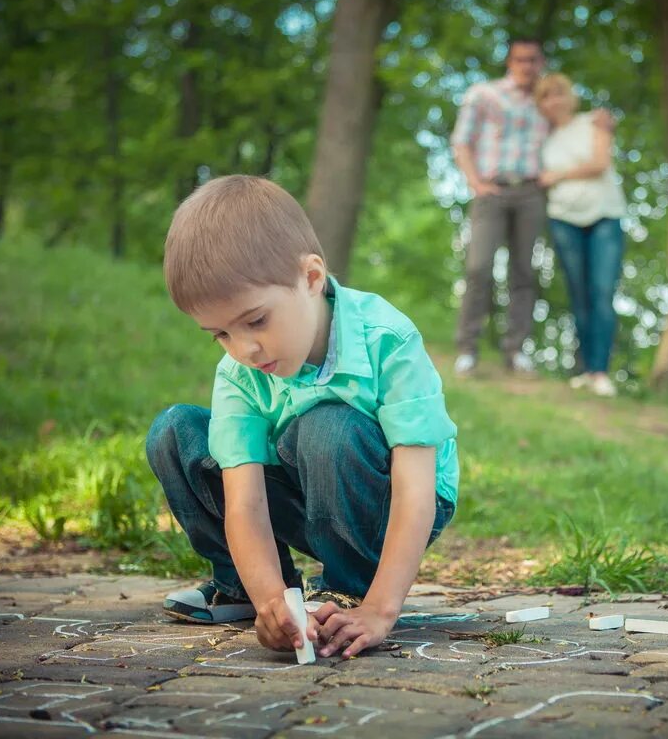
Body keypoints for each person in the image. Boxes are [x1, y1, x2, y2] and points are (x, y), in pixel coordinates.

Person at [146, 175, 459, 661]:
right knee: (175, 431)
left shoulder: (387, 340)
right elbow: (245, 502)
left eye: (255, 321)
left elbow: (416, 489)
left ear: (311, 278)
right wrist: (275, 601)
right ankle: (244, 591)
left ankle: (347, 590)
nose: (244, 349)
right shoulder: (240, 372)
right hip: (304, 488)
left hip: (393, 497)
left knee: (327, 426)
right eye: (220, 334)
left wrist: (380, 608)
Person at [449, 37, 550, 378]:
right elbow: (462, 141)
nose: (526, 66)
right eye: (520, 59)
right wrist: (476, 182)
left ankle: (516, 350)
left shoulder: (547, 102)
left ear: (541, 63)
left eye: (533, 60)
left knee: (523, 272)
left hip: (531, 194)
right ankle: (467, 349)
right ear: (510, 62)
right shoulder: (484, 94)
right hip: (491, 191)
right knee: (479, 268)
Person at [535, 73, 627, 397]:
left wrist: (557, 175)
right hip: (563, 219)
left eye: (559, 93)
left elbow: (600, 163)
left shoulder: (594, 122)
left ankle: (601, 371)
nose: (554, 100)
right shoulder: (544, 141)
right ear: (541, 105)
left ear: (570, 97)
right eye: (546, 96)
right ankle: (587, 370)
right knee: (579, 296)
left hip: (604, 215)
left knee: (602, 292)